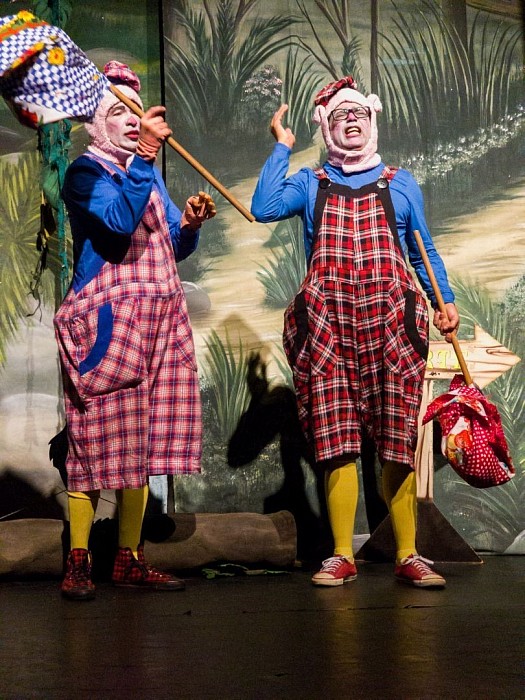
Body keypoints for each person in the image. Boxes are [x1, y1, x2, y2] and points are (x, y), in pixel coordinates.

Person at [251, 76, 459, 588]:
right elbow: (263, 207)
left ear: (372, 121)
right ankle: (341, 554)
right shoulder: (312, 182)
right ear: (326, 127)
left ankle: (408, 554)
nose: (351, 121)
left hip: (389, 324)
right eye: (341, 115)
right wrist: (282, 147)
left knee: (396, 438)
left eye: (359, 114)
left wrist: (445, 302)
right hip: (330, 326)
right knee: (336, 438)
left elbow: (423, 251)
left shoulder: (399, 182)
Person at [54, 61, 216, 600]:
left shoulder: (147, 174)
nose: (132, 119)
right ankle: (79, 561)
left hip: (158, 323)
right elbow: (119, 224)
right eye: (120, 111)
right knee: (91, 444)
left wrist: (188, 223)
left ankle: (129, 558)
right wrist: (145, 154)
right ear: (98, 121)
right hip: (107, 322)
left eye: (136, 112)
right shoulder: (85, 173)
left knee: (140, 447)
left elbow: (170, 244)